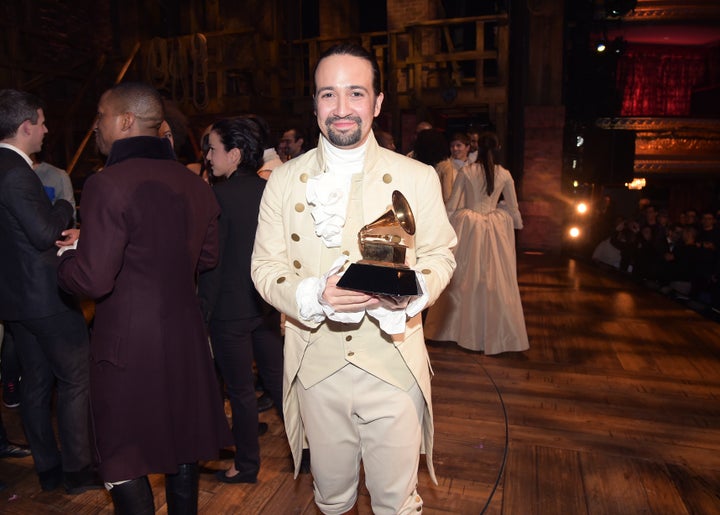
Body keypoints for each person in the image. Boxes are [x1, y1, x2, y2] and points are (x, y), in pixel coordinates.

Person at [251, 43, 456, 515]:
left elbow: (441, 253)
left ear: (378, 102)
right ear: (315, 103)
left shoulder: (419, 176)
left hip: (393, 365)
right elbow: (264, 269)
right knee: (333, 497)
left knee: (396, 503)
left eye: (356, 93)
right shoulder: (283, 180)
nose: (342, 109)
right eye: (328, 94)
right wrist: (311, 295)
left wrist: (411, 294)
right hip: (316, 368)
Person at [56, 82, 232, 514]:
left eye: (100, 115)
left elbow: (94, 280)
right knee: (182, 442)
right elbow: (206, 257)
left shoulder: (106, 184)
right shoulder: (196, 185)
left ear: (125, 121)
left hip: (127, 346)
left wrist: (65, 261)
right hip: (186, 338)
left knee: (122, 452)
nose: (96, 125)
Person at [0, 89, 97, 494]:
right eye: (40, 123)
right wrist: (63, 206)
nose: (46, 129)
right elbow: (44, 233)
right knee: (76, 379)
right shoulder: (17, 172)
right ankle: (77, 471)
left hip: (15, 299)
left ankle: (49, 469)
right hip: (45, 298)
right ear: (25, 127)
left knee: (36, 386)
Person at [198, 117, 284, 484]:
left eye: (213, 149)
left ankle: (245, 466)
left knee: (241, 392)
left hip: (229, 310)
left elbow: (212, 263)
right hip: (265, 303)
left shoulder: (217, 196)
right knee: (281, 385)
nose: (207, 156)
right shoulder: (270, 190)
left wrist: (203, 313)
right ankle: (310, 452)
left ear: (234, 155)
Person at [424, 131, 529, 355]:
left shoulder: (467, 172)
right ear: (498, 147)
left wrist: (443, 227)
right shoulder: (504, 174)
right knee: (495, 279)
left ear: (475, 147)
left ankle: (456, 331)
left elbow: (452, 205)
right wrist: (516, 224)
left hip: (469, 229)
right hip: (494, 231)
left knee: (463, 279)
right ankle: (495, 333)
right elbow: (513, 208)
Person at [412, 128, 455, 202]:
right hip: (435, 205)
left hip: (416, 203)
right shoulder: (445, 165)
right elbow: (447, 195)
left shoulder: (413, 161)